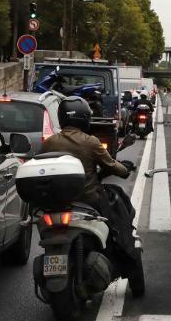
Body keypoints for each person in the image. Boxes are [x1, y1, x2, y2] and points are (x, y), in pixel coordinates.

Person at [40, 96, 137, 257]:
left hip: (55, 201)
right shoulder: (91, 141)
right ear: (85, 118)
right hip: (88, 199)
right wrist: (125, 169)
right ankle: (122, 249)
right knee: (117, 222)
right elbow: (113, 166)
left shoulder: (49, 143)